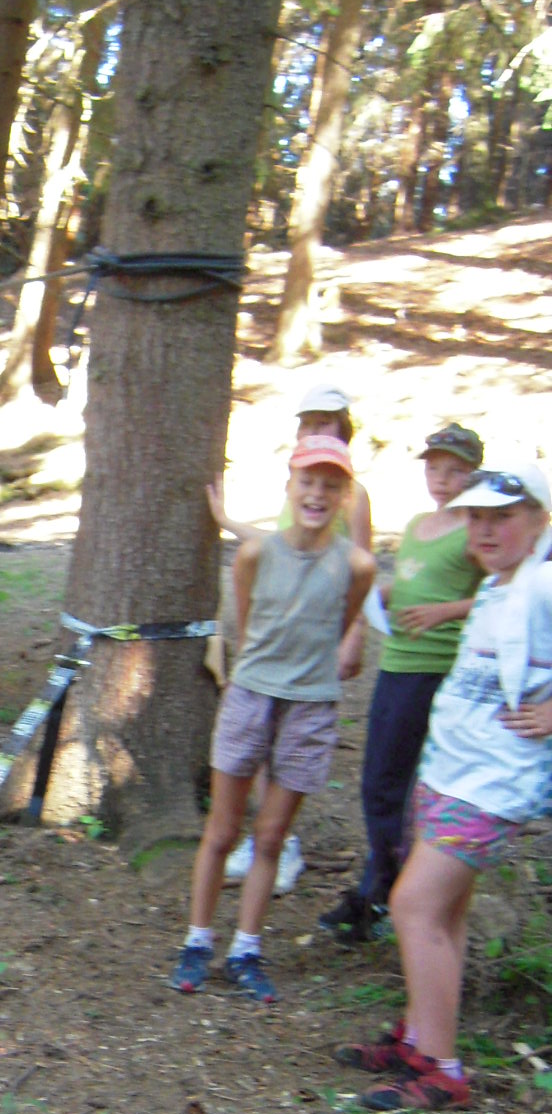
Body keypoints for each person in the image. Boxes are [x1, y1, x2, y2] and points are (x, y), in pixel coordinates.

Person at [338, 459, 552, 1111]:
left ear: (539, 522)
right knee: (444, 913)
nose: (485, 531)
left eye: (502, 518)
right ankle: (419, 1038)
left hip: (491, 785)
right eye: (476, 517)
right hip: (450, 772)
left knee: (412, 905)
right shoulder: (495, 588)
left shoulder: (543, 584)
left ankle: (442, 1071)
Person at [173, 437, 375, 1003]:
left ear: (345, 495)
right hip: (251, 697)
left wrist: (305, 673)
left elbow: (340, 622)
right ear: (289, 486)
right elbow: (247, 620)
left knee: (270, 836)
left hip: (310, 707)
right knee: (221, 831)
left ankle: (246, 949)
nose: (317, 494)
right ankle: (196, 940)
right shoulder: (256, 554)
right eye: (308, 482)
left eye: (331, 485)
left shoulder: (357, 565)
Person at [318, 423, 485, 945]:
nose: (442, 478)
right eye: (434, 468)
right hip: (397, 661)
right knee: (380, 780)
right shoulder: (417, 525)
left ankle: (384, 892)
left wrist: (445, 611)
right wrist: (382, 594)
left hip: (435, 667)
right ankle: (386, 883)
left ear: (474, 474)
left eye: (455, 470)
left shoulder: (476, 530)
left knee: (391, 782)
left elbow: (499, 592)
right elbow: (415, 579)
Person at [208, 382, 376, 898]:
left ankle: (282, 845)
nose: (315, 429)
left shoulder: (350, 495)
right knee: (259, 744)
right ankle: (266, 842)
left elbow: (358, 565)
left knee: (293, 748)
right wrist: (225, 520)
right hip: (274, 649)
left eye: (325, 421)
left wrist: (353, 636)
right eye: (308, 422)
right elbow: (279, 547)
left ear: (344, 427)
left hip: (315, 646)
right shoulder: (303, 488)